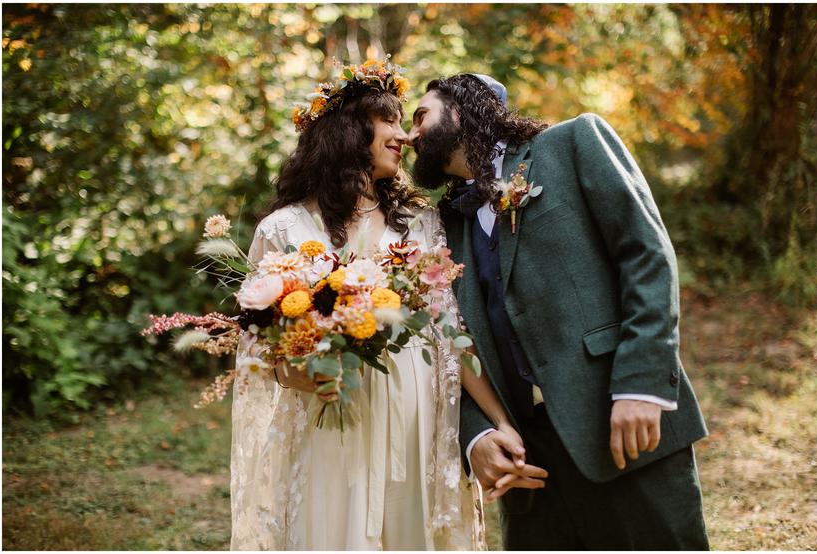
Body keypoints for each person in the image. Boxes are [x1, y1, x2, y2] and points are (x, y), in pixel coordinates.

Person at [229, 60, 534, 551]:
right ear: (349, 131)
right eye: (389, 121)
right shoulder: (283, 230)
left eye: (403, 121)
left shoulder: (421, 222)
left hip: (417, 412)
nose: (403, 136)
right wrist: (299, 372)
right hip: (333, 416)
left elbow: (452, 331)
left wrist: (500, 420)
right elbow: (260, 350)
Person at [407, 73, 710, 550]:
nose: (411, 134)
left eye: (421, 115)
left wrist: (641, 384)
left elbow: (646, 255)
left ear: (461, 109)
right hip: (528, 466)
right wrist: (476, 435)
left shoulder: (571, 143)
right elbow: (445, 341)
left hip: (619, 420)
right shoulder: (441, 225)